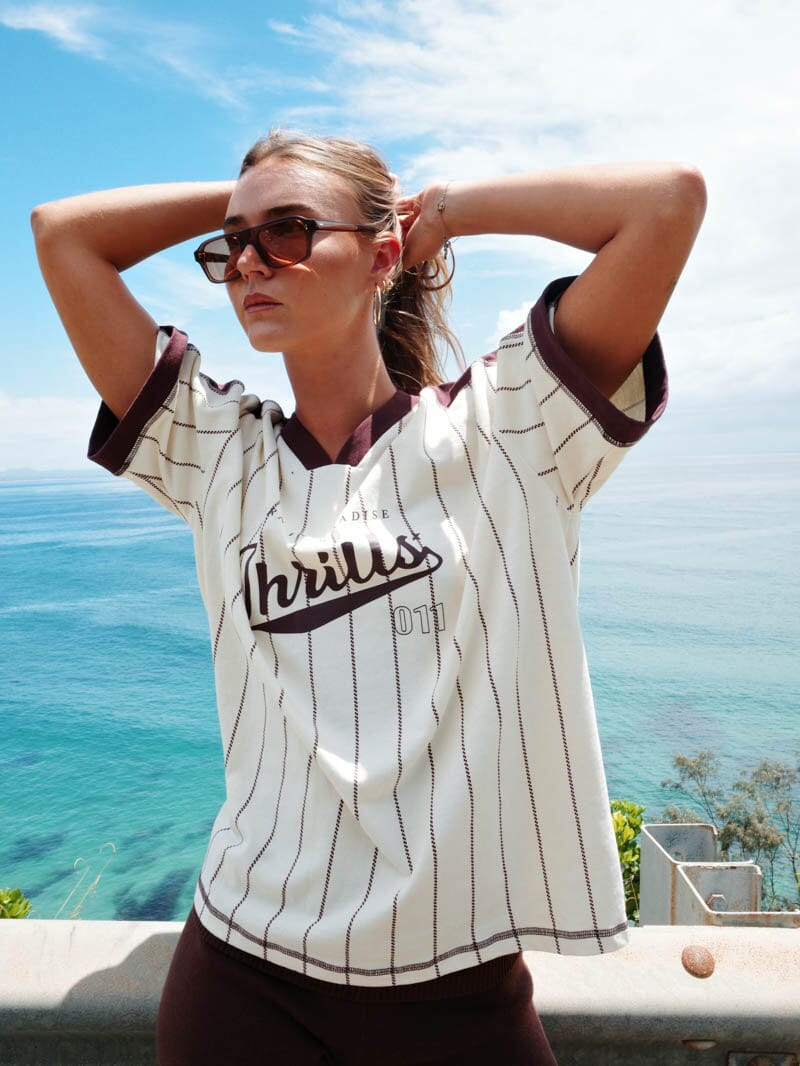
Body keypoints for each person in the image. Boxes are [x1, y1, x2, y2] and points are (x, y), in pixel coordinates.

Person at [31, 131, 706, 1065]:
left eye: (292, 232)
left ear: (383, 254)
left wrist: (448, 214)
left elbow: (667, 200)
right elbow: (61, 233)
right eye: (235, 246)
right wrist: (254, 203)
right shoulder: (218, 454)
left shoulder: (510, 427)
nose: (250, 264)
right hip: (244, 977)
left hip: (461, 988)